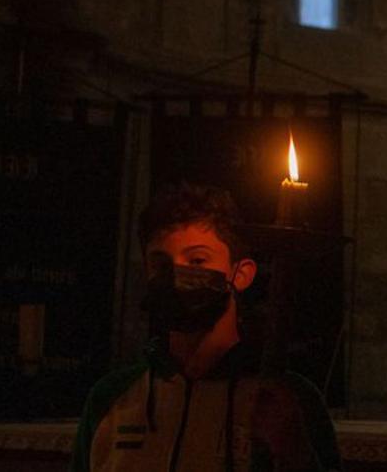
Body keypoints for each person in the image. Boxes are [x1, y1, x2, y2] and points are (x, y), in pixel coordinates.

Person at [71, 183, 341, 471]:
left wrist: (295, 453)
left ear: (241, 274)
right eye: (161, 264)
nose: (177, 276)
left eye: (197, 260)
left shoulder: (288, 399)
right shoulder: (112, 397)